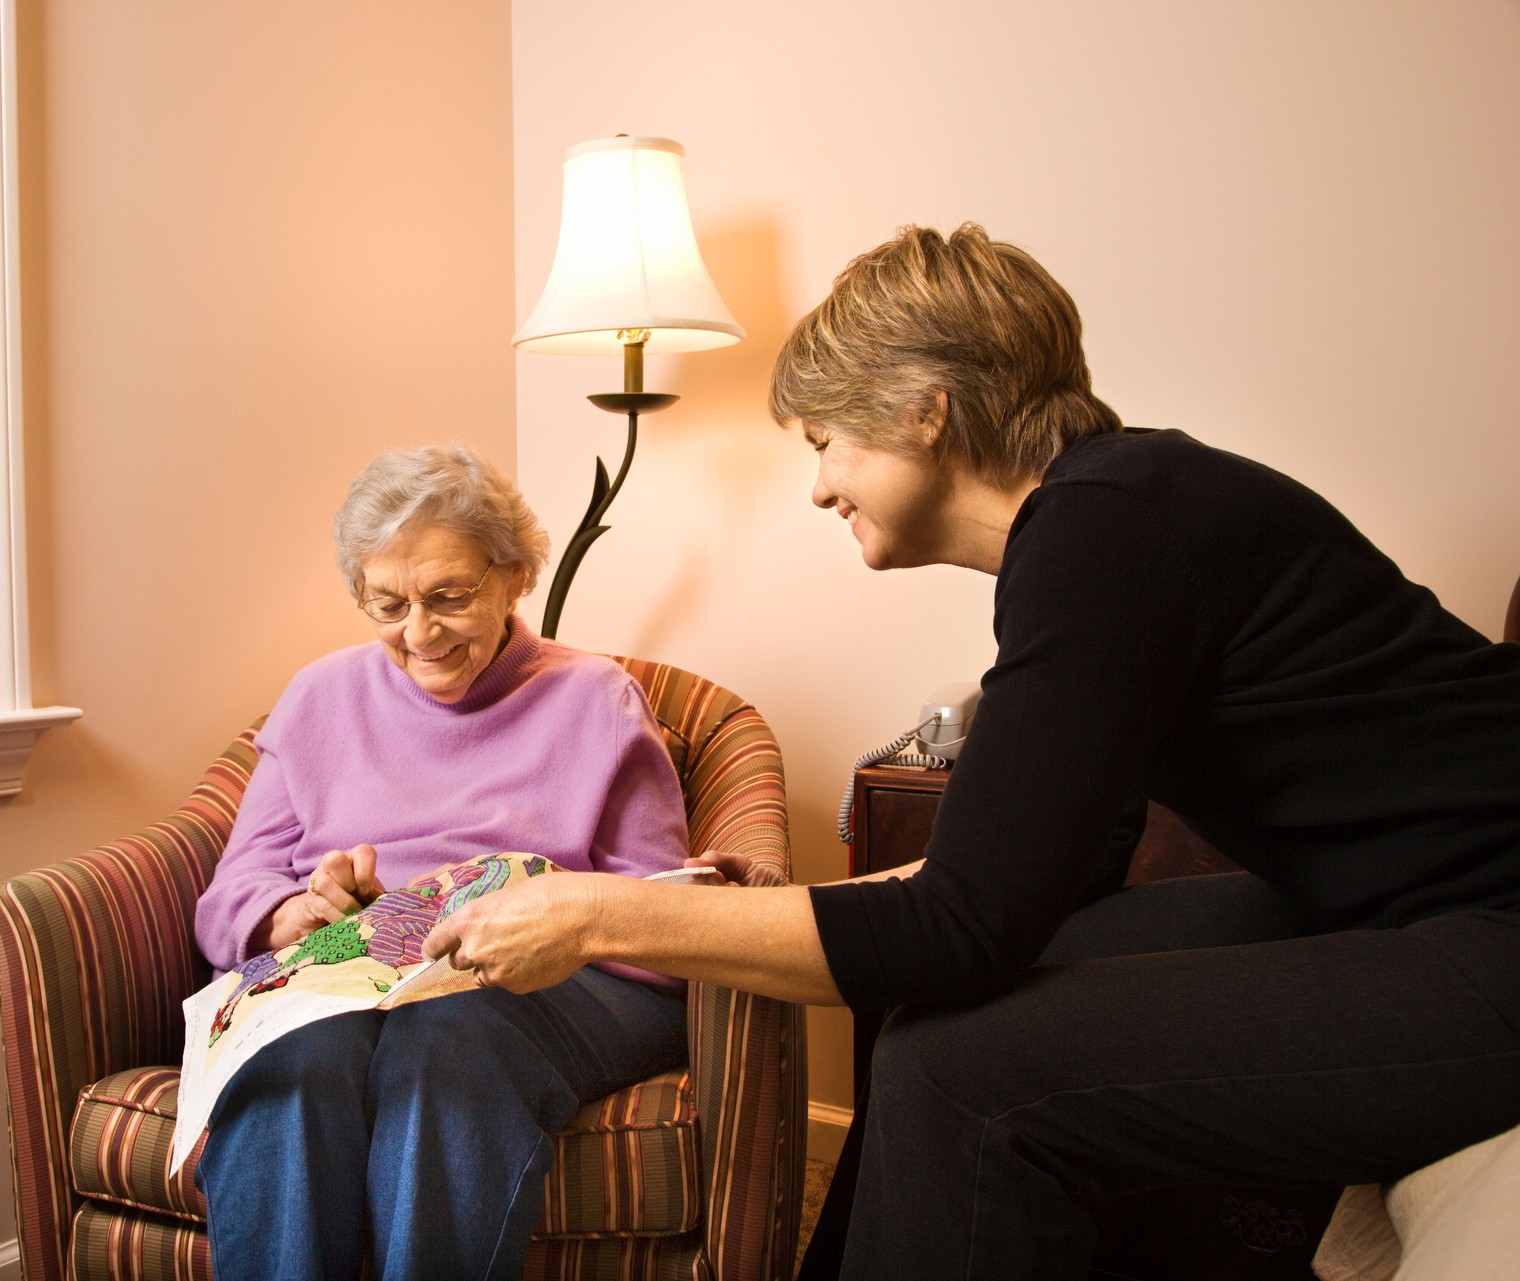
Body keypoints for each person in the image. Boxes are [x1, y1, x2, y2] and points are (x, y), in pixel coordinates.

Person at [424, 224, 1520, 1279]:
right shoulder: (1115, 512)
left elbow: (960, 926)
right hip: (1395, 902)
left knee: (962, 1079)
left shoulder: (1106, 529)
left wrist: (598, 913)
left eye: (826, 443)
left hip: (1488, 924)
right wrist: (743, 911)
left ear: (924, 412)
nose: (818, 486)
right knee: (943, 1018)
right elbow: (1032, 885)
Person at [192, 445, 692, 1281]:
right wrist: (292, 915)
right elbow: (227, 896)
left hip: (552, 986)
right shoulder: (317, 696)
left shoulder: (595, 699)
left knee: (448, 1032)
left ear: (515, 576)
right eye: (386, 603)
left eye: (449, 597)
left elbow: (662, 924)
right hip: (352, 980)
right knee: (291, 1052)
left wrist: (538, 923)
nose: (418, 633)